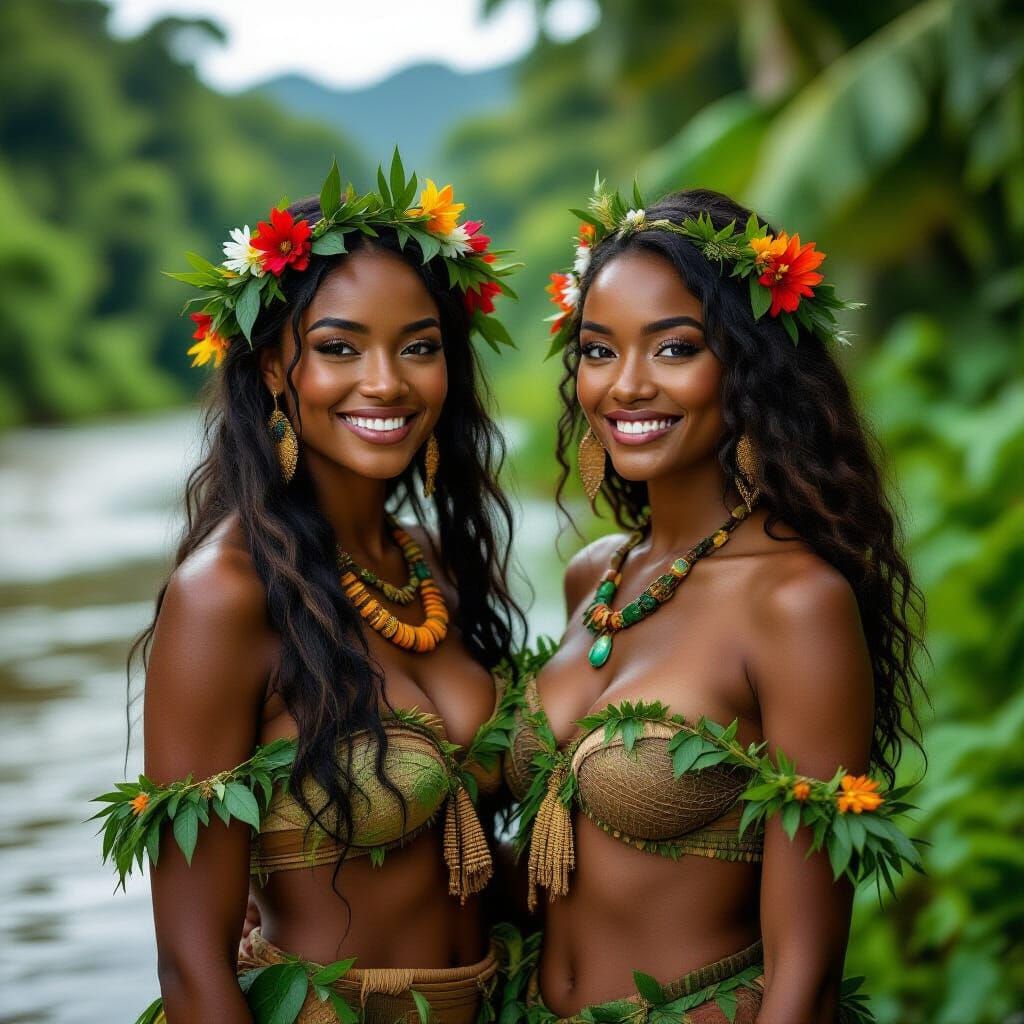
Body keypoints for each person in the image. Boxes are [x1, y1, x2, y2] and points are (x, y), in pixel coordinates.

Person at [94, 156, 524, 1024]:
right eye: (338, 348)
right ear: (271, 372)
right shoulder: (227, 594)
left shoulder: (431, 562)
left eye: (419, 347)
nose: (386, 382)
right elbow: (191, 965)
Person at [502, 184, 924, 1023]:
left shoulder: (795, 602)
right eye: (597, 351)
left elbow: (804, 971)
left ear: (748, 363)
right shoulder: (598, 576)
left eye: (673, 349)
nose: (625, 386)